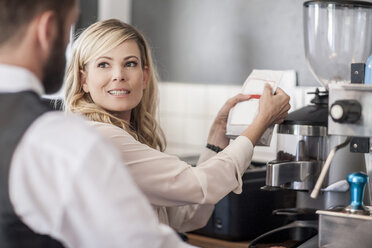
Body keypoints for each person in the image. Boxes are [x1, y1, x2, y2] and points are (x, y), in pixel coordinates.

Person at [0, 1, 197, 247]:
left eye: (130, 63)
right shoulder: (57, 140)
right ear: (48, 29)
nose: (118, 75)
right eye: (70, 26)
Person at [64, 19, 291, 232]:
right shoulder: (104, 138)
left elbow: (186, 217)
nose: (118, 75)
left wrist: (216, 138)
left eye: (129, 63)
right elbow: (201, 186)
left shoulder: (118, 136)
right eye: (103, 64)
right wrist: (260, 123)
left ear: (144, 77)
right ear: (84, 80)